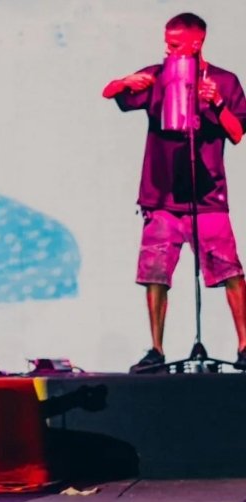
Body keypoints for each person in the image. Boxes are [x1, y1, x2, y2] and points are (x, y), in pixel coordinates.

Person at [103, 12, 246, 373]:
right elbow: (110, 93)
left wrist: (217, 103)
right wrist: (124, 82)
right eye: (167, 42)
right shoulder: (157, 76)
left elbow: (237, 133)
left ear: (197, 43)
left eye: (176, 43)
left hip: (207, 197)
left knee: (230, 271)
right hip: (161, 197)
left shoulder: (224, 81)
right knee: (155, 274)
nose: (168, 48)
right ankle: (156, 349)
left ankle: (245, 345)